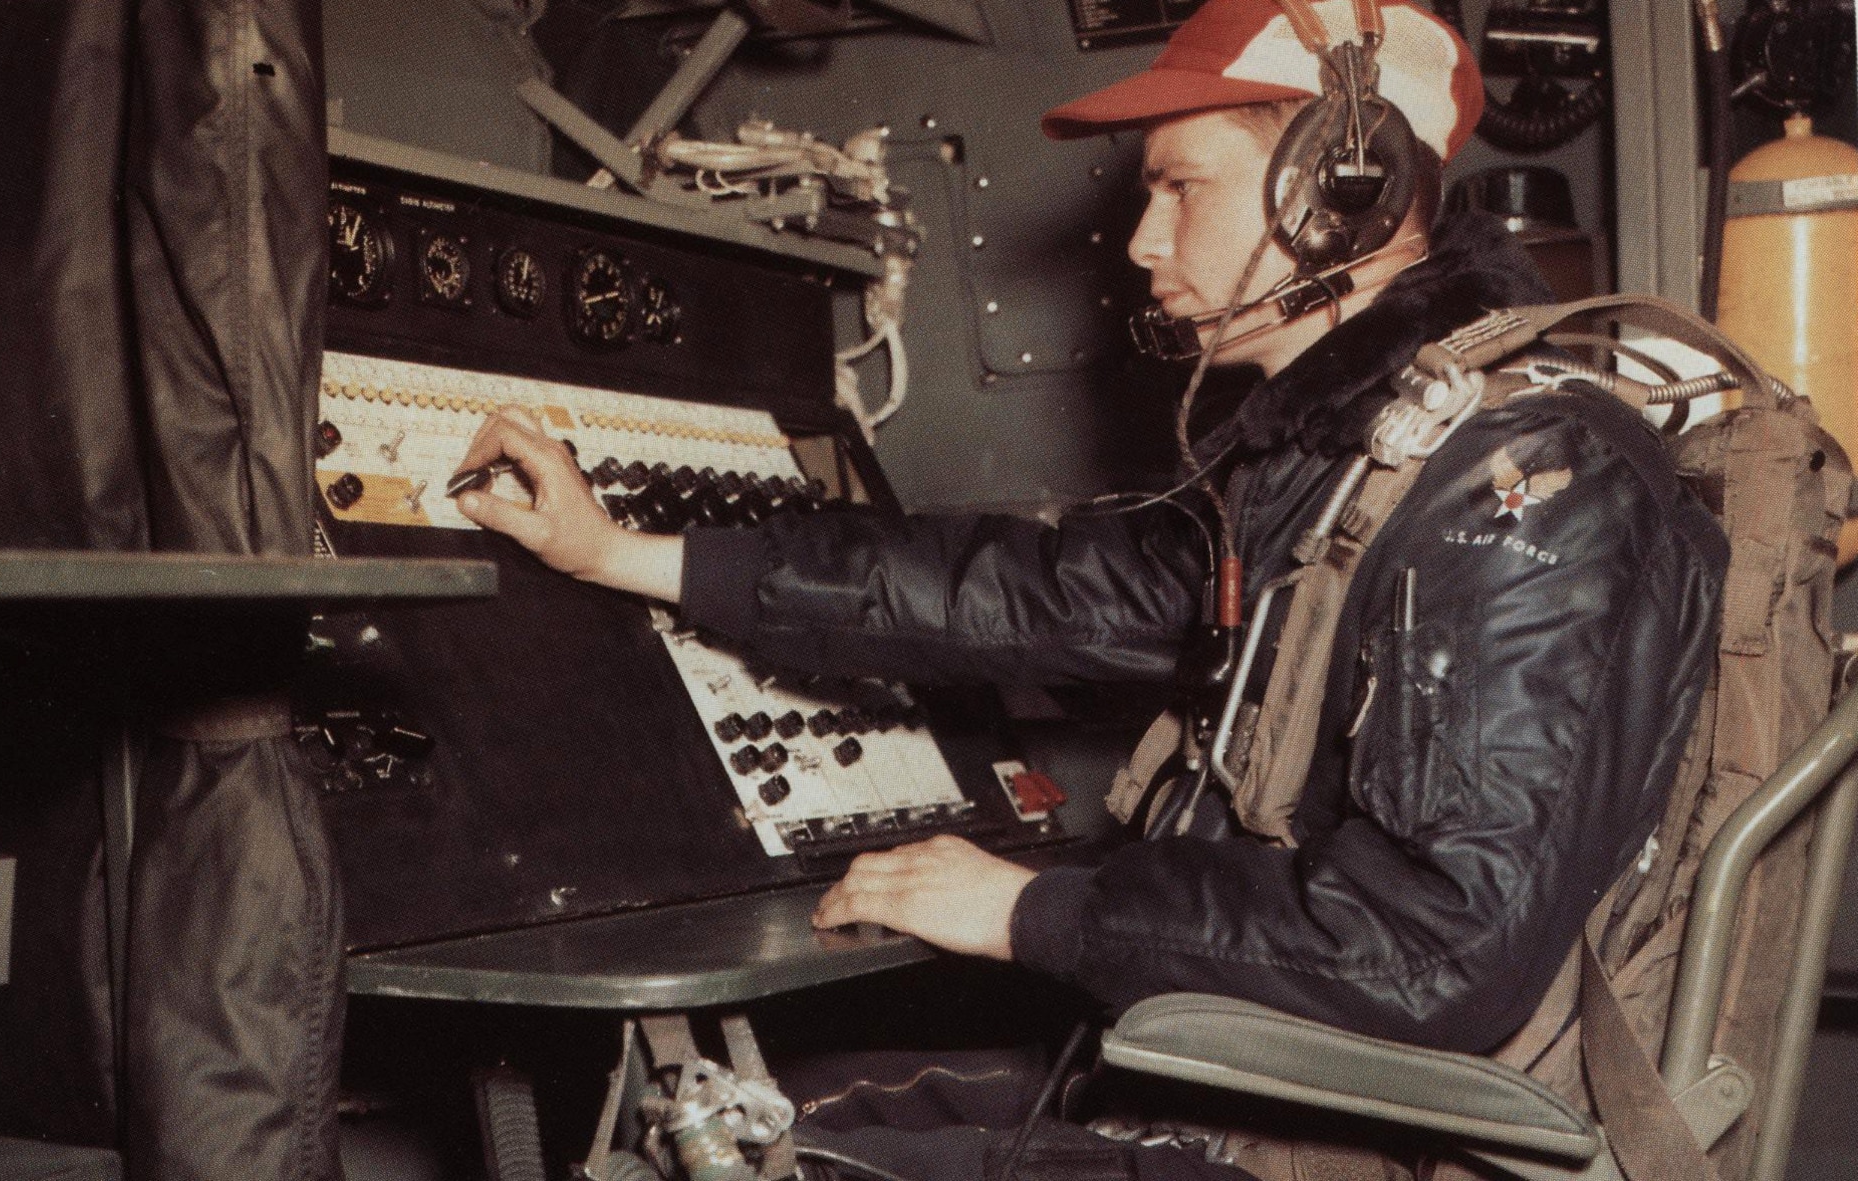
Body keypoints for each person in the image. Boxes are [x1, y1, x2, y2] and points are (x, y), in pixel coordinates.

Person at [454, 0, 1724, 1171]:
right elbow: (1034, 591)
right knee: (725, 1105)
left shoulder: (1524, 485)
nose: (1137, 240)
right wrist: (628, 553)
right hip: (1253, 1070)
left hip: (1362, 1135)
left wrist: (1032, 908)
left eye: (1181, 186)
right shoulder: (1343, 468)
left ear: (1341, 190)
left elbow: (1434, 950)